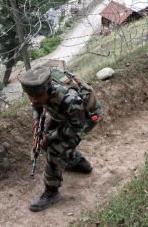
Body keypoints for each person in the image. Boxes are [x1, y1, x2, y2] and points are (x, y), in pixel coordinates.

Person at [20, 66, 102, 212]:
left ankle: (51, 192)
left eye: (37, 96)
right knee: (45, 141)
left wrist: (49, 137)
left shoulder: (69, 100)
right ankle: (79, 163)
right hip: (65, 114)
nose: (33, 100)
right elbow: (37, 106)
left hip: (86, 118)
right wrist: (36, 124)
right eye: (30, 96)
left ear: (48, 88)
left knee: (54, 150)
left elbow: (76, 128)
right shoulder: (40, 87)